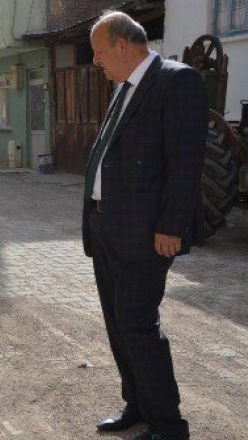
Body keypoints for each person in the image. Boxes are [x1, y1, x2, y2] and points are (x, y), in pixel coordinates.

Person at [83, 12, 205, 440]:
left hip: (146, 232)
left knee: (137, 322)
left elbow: (186, 161)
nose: (96, 60)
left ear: (122, 45)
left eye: (98, 52)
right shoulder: (123, 88)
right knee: (118, 323)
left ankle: (169, 425)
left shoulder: (177, 81)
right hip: (106, 224)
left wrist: (172, 225)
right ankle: (137, 405)